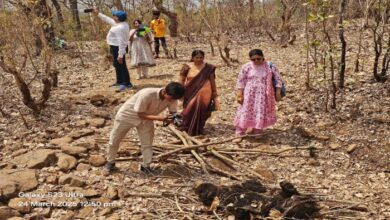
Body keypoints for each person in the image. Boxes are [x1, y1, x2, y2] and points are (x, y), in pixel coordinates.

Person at [103, 82, 185, 175]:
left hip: (147, 119)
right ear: (165, 92)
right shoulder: (146, 94)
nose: (172, 101)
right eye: (171, 98)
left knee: (147, 144)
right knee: (114, 140)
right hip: (127, 116)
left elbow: (172, 112)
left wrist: (175, 119)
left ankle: (146, 166)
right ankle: (110, 162)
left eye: (175, 99)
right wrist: (161, 118)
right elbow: (140, 114)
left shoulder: (173, 98)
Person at [234, 49, 282, 136]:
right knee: (245, 111)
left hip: (264, 95)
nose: (256, 61)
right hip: (249, 94)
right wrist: (239, 95)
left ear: (263, 57)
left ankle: (257, 130)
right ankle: (239, 132)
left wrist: (278, 93)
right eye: (253, 59)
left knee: (260, 111)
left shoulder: (270, 66)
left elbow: (278, 79)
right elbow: (241, 81)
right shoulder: (246, 67)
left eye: (258, 59)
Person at [179, 50, 219, 136]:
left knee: (203, 110)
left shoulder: (209, 68)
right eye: (197, 57)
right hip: (190, 92)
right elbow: (181, 79)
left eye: (201, 57)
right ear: (192, 58)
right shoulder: (187, 67)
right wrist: (180, 91)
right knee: (187, 110)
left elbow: (212, 80)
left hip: (205, 93)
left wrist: (214, 92)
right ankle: (186, 127)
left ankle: (199, 128)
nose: (199, 59)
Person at [92, 9, 132, 92]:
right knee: (116, 65)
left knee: (121, 65)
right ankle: (119, 81)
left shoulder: (120, 28)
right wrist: (98, 13)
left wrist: (120, 55)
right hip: (115, 47)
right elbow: (108, 20)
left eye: (114, 16)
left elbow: (121, 42)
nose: (113, 17)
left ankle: (127, 83)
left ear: (117, 18)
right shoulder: (121, 23)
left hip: (119, 48)